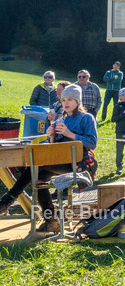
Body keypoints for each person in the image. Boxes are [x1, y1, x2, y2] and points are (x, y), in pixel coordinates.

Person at [0, 83, 98, 229]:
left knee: (37, 165)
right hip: (59, 161)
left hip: (79, 164)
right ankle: (51, 220)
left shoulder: (86, 118)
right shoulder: (60, 120)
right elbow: (53, 148)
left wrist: (69, 134)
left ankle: (7, 201)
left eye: (70, 100)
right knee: (37, 177)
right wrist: (51, 137)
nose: (66, 103)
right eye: (64, 100)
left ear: (77, 102)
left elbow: (92, 142)